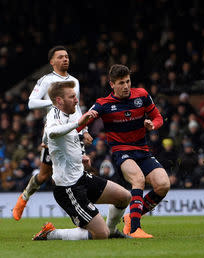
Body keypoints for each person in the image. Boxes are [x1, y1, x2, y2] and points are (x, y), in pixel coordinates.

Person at [32, 81, 131, 240]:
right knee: (100, 234)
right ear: (59, 101)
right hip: (68, 188)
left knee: (124, 197)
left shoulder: (67, 115)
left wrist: (80, 157)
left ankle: (112, 230)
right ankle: (51, 233)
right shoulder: (54, 116)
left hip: (81, 178)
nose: (77, 100)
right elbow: (51, 132)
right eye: (72, 97)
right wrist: (78, 124)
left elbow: (55, 138)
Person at [82, 64, 170, 238]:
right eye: (121, 83)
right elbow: (84, 119)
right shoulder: (103, 104)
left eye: (128, 81)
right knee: (138, 179)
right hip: (121, 152)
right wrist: (84, 131)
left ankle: (131, 217)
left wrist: (153, 125)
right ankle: (134, 229)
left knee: (163, 185)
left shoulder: (142, 95)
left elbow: (157, 117)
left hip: (142, 151)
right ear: (112, 84)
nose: (126, 86)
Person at [13, 46, 93, 221]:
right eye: (60, 57)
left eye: (67, 56)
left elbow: (76, 106)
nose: (65, 59)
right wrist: (53, 102)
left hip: (71, 132)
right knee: (44, 175)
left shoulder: (74, 81)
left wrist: (85, 129)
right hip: (54, 132)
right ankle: (24, 197)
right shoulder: (46, 80)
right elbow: (32, 103)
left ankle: (83, 214)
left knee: (79, 171)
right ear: (52, 62)